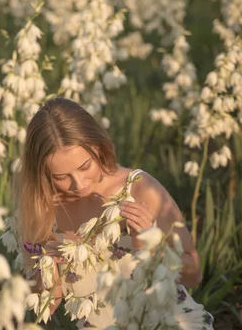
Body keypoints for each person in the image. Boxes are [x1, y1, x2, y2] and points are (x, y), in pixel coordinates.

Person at [16, 97, 214, 328]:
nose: (78, 184)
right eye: (60, 177)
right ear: (41, 172)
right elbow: (47, 305)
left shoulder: (139, 188)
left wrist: (150, 248)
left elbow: (194, 275)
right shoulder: (40, 209)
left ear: (99, 148)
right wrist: (46, 269)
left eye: (84, 167)